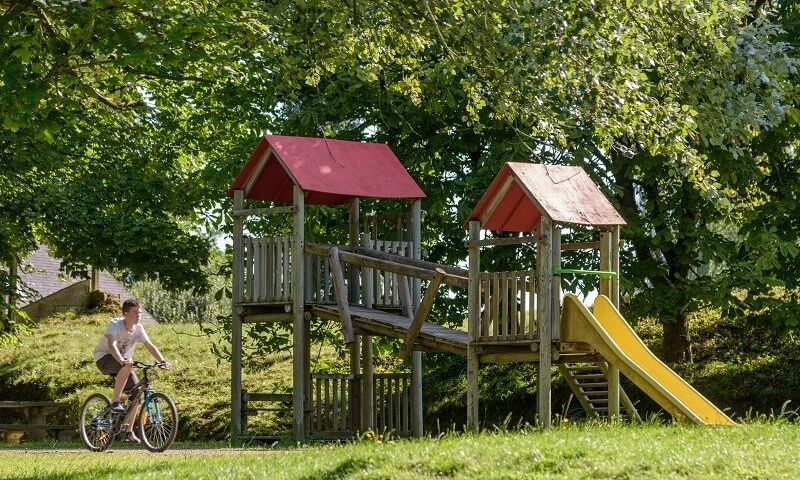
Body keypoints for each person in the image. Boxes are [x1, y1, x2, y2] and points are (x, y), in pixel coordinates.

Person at [92, 299, 170, 440]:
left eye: (139, 313)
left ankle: (127, 431)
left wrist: (162, 361)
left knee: (136, 395)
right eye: (135, 313)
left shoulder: (139, 329)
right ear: (125, 313)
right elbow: (112, 345)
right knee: (127, 365)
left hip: (124, 364)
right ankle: (115, 401)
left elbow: (150, 345)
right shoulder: (115, 324)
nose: (138, 316)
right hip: (105, 358)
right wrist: (121, 360)